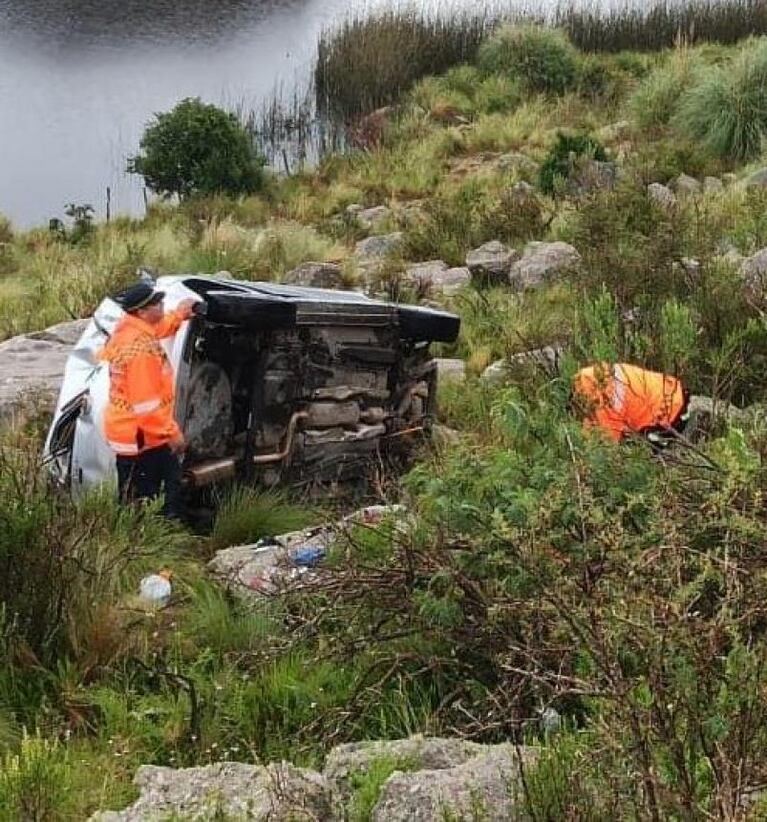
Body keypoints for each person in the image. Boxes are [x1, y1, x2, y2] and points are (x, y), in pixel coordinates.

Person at [99, 282, 199, 517]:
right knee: (160, 493)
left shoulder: (129, 330)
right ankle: (160, 534)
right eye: (157, 303)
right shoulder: (140, 352)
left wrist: (179, 315)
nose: (162, 305)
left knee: (134, 493)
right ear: (142, 312)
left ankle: (136, 536)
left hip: (132, 433)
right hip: (143, 436)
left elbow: (158, 328)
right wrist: (172, 434)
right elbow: (146, 406)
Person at [572, 362, 690, 446]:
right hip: (671, 388)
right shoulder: (594, 375)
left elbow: (607, 447)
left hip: (670, 415)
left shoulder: (610, 406)